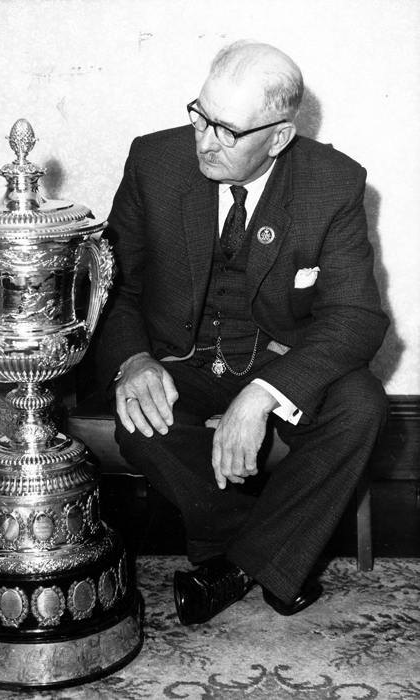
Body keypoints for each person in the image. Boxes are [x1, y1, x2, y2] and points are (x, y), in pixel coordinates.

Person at [96, 40, 389, 625]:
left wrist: (263, 395)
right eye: (199, 116)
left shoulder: (333, 183)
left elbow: (356, 316)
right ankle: (275, 557)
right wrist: (132, 360)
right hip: (179, 364)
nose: (205, 140)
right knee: (143, 419)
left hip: (275, 362)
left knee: (361, 403)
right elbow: (111, 286)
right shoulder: (153, 163)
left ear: (278, 136)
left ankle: (232, 566)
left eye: (227, 130)